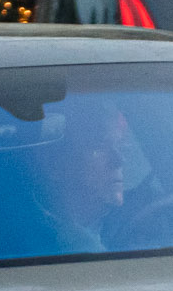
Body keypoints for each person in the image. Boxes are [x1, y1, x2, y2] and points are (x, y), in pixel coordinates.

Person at [24, 101, 132, 254]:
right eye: (99, 147)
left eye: (121, 146)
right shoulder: (38, 242)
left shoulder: (134, 214)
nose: (120, 160)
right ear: (54, 164)